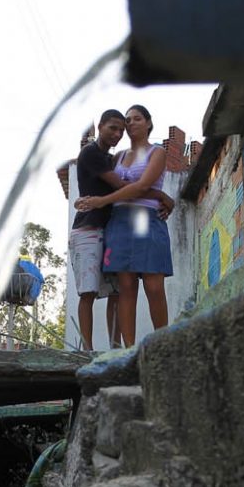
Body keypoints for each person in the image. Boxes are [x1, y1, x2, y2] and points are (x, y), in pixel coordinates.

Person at [73, 104, 171, 347]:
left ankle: (164, 345)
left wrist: (101, 201)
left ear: (148, 123)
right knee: (125, 287)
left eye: (137, 118)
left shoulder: (156, 152)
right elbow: (102, 182)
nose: (131, 124)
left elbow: (140, 186)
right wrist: (163, 196)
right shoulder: (117, 157)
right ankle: (128, 350)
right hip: (118, 222)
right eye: (128, 120)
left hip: (144, 218)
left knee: (153, 285)